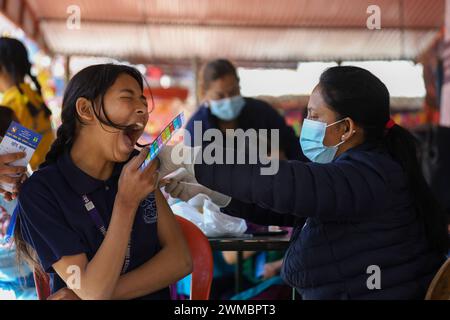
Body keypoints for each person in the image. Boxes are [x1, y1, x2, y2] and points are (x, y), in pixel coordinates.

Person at [159, 66, 449, 299]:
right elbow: (290, 208)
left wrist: (190, 158)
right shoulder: (364, 168)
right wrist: (216, 195)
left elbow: (283, 181)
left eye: (314, 115)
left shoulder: (370, 175)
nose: (306, 123)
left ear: (346, 128)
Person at [13, 64, 192, 300]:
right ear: (85, 109)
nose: (142, 109)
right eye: (127, 98)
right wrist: (126, 203)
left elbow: (180, 259)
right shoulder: (41, 192)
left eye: (143, 101)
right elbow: (92, 290)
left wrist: (96, 294)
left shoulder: (136, 172)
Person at [185, 59, 305, 161]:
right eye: (220, 96)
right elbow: (195, 173)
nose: (228, 100)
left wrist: (283, 160)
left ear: (239, 85)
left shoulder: (262, 112)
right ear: (204, 93)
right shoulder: (196, 129)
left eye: (233, 92)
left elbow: (292, 146)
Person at [0, 37, 55, 170]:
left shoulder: (11, 105)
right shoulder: (32, 95)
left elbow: (17, 160)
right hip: (48, 171)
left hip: (34, 179)